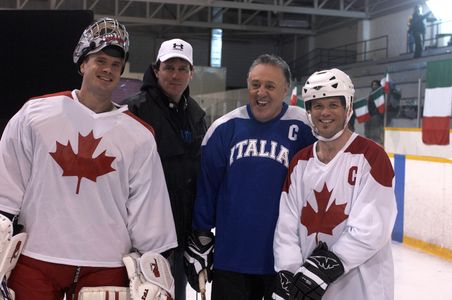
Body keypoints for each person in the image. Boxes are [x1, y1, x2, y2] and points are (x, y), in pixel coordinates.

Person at [0, 17, 177, 300]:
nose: (108, 69)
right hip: (38, 258)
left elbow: (148, 208)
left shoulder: (139, 135)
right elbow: (7, 182)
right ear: (83, 63)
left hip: (106, 264)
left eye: (116, 65)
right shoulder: (35, 115)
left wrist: (154, 264)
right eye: (101, 60)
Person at [184, 54, 316, 300]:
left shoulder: (305, 128)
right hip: (232, 260)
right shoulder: (224, 128)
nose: (261, 92)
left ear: (286, 89)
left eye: (270, 85)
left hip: (285, 261)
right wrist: (201, 235)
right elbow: (207, 188)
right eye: (255, 84)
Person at [272, 68, 397, 300]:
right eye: (317, 105)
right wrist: (289, 273)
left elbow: (372, 227)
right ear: (308, 111)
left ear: (348, 107)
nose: (324, 113)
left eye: (333, 105)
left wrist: (324, 268)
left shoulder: (372, 156)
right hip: (309, 290)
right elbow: (286, 227)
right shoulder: (300, 162)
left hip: (361, 290)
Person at [124, 38, 207, 300]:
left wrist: (199, 230)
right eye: (169, 66)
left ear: (191, 73)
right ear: (157, 69)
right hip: (141, 236)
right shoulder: (135, 108)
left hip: (180, 237)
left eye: (183, 68)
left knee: (175, 293)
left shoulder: (196, 114)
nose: (175, 74)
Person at [364, 79, 384, 145]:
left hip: (377, 114)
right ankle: (368, 141)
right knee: (367, 127)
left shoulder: (381, 94)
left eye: (375, 85)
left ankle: (377, 142)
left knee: (375, 130)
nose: (374, 86)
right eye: (373, 85)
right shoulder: (370, 94)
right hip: (370, 114)